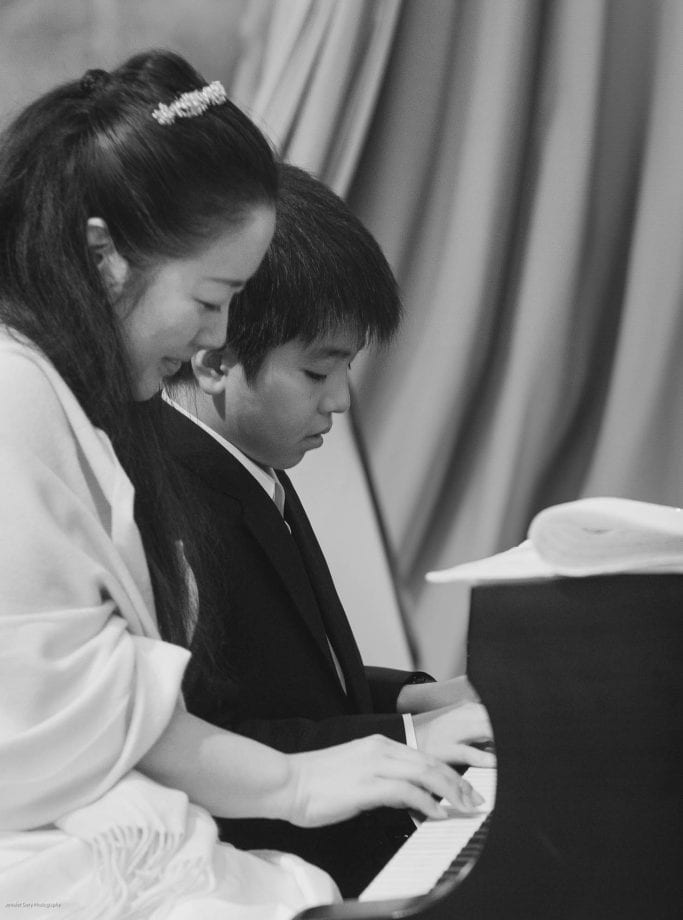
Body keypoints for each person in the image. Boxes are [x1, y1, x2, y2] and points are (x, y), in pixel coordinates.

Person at [0, 52, 482, 919]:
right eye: (212, 297)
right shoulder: (17, 398)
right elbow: (75, 720)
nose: (217, 335)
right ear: (105, 256)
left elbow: (112, 702)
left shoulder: (64, 396)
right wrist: (296, 783)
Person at [160, 163, 494, 896]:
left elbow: (281, 685)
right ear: (215, 361)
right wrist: (407, 739)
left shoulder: (247, 464)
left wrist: (412, 699)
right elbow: (197, 737)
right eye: (317, 373)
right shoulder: (169, 499)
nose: (340, 399)